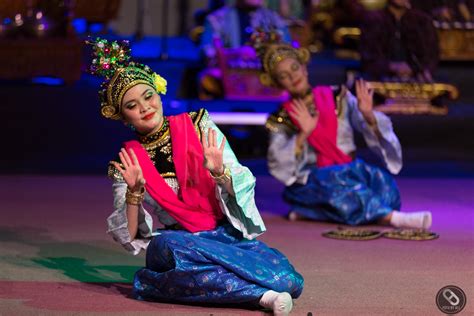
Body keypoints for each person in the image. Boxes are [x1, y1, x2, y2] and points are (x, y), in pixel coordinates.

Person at [87, 38, 303, 315]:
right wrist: (135, 193)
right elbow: (130, 237)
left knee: (289, 280)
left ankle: (248, 290)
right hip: (179, 243)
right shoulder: (128, 162)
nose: (144, 107)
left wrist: (219, 172)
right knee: (166, 244)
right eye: (132, 105)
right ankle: (262, 296)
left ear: (159, 92)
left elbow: (242, 181)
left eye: (148, 95)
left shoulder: (199, 125)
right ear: (124, 117)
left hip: (222, 236)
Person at [256, 37, 432, 229]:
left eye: (294, 68)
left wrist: (368, 114)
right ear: (278, 83)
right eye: (283, 76)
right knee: (341, 190)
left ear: (304, 68)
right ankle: (393, 219)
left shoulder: (337, 95)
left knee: (386, 189)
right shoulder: (281, 117)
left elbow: (366, 123)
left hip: (350, 169)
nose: (292, 77)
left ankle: (313, 212)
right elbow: (278, 164)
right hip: (314, 181)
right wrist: (303, 135)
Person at [198, 0, 291, 99]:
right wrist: (235, 54)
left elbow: (287, 50)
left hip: (266, 80)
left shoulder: (274, 20)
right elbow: (207, 51)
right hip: (230, 78)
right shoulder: (216, 19)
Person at [359, 0, 439, 82]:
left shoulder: (423, 21)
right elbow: (368, 58)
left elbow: (431, 57)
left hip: (417, 80)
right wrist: (392, 67)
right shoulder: (372, 20)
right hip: (381, 80)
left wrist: (418, 70)